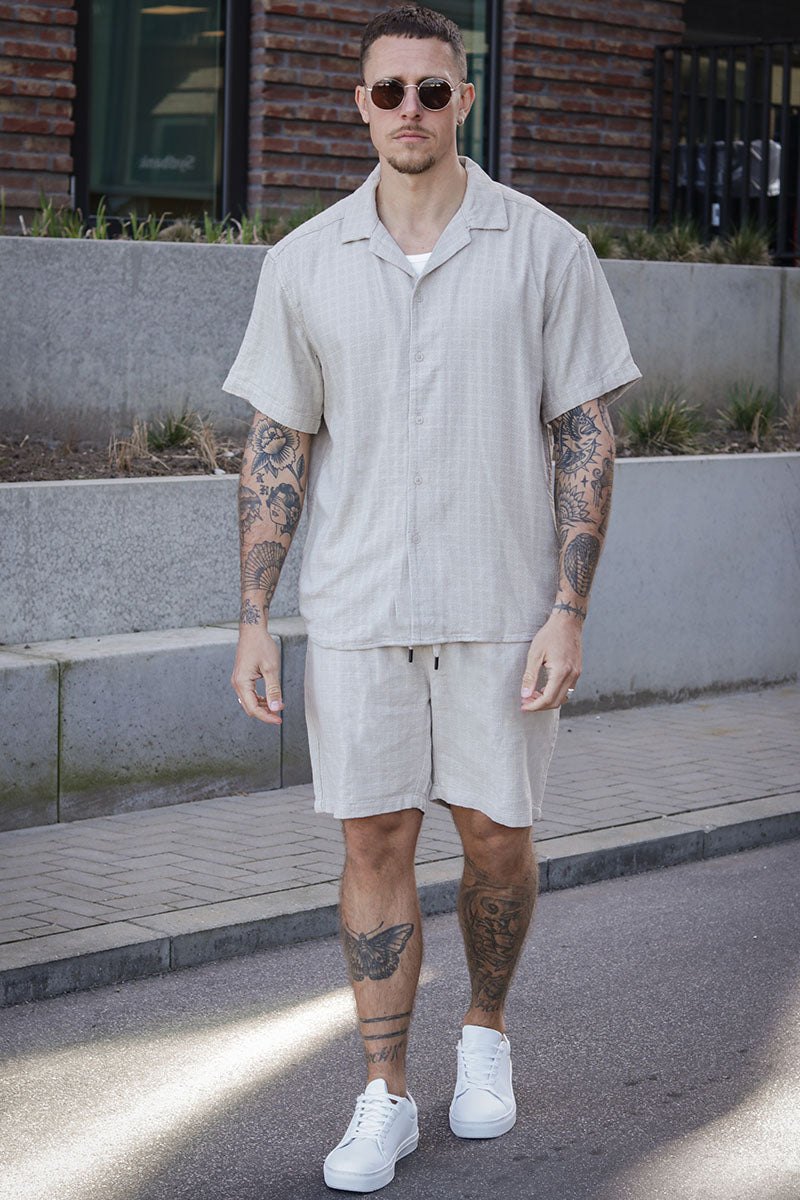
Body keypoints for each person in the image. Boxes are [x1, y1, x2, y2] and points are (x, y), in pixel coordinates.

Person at [223, 5, 641, 1192]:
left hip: (502, 612)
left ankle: (485, 1035)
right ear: (358, 106)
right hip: (356, 612)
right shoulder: (303, 262)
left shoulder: (545, 248)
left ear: (464, 99)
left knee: (496, 838)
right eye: (388, 91)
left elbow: (584, 435)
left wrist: (567, 609)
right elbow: (276, 447)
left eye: (432, 90)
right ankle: (384, 1092)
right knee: (373, 838)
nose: (409, 109)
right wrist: (254, 618)